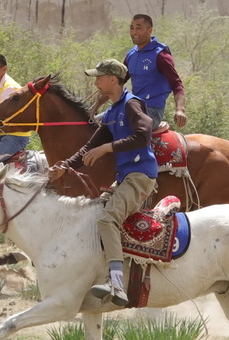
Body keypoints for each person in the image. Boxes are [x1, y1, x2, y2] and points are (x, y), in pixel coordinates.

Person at [49, 59, 158, 306]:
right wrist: (65, 166)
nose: (96, 82)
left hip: (140, 176)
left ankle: (118, 284)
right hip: (126, 177)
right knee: (96, 215)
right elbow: (90, 146)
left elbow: (143, 135)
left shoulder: (131, 104)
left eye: (99, 77)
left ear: (113, 80)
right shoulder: (112, 112)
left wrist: (109, 148)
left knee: (107, 219)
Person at [122, 14, 187, 129]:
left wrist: (180, 110)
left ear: (149, 30)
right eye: (131, 28)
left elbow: (176, 83)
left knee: (122, 126)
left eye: (138, 28)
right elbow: (117, 81)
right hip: (133, 107)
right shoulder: (131, 55)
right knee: (102, 122)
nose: (134, 32)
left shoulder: (161, 55)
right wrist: (95, 107)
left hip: (152, 111)